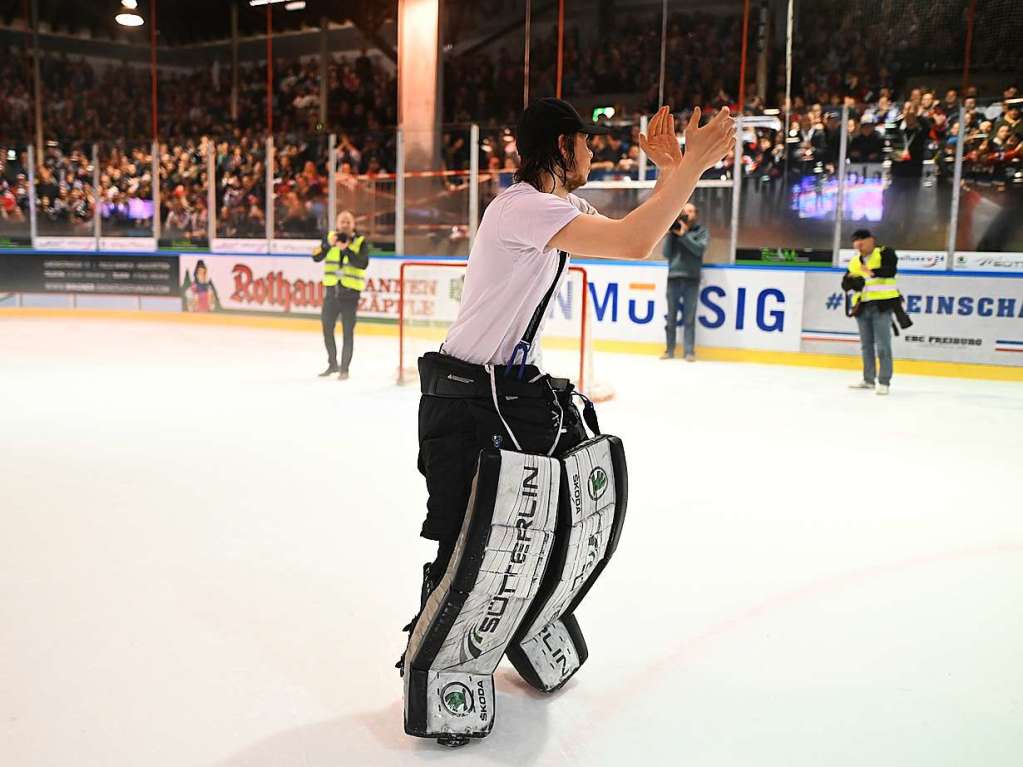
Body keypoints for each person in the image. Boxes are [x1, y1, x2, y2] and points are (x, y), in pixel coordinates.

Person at [400, 98, 734, 745]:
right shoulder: (522, 207)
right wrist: (688, 167)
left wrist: (671, 172)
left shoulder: (554, 207)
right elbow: (635, 241)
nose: (593, 154)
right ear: (560, 145)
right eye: (586, 143)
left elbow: (633, 234)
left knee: (550, 519)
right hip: (467, 399)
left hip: (508, 393)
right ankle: (440, 672)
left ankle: (519, 626)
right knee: (467, 543)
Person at [311, 210, 368, 380]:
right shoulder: (329, 238)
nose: (345, 224)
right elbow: (315, 257)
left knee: (347, 333)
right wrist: (329, 245)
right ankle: (332, 364)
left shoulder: (360, 242)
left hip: (350, 295)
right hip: (331, 293)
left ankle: (345, 369)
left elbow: (363, 263)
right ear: (337, 224)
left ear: (353, 225)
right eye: (342, 221)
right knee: (327, 329)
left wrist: (347, 250)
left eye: (348, 222)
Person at [842, 229, 899, 395]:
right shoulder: (854, 262)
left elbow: (890, 271)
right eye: (856, 241)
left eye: (862, 240)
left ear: (872, 240)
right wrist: (851, 281)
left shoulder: (885, 252)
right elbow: (845, 285)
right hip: (862, 307)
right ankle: (868, 379)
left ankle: (884, 381)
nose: (859, 244)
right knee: (866, 346)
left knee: (883, 346)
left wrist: (871, 272)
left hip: (882, 305)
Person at [662, 202, 707, 361]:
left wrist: (684, 235)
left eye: (691, 211)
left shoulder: (700, 231)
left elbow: (699, 250)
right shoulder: (674, 231)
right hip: (673, 278)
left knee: (689, 317)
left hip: (691, 279)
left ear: (696, 214)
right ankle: (669, 350)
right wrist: (670, 234)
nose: (688, 215)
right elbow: (666, 253)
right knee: (671, 316)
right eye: (685, 211)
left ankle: (689, 352)